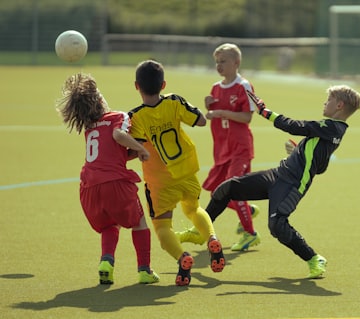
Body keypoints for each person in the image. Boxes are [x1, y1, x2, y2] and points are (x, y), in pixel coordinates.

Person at [202, 85, 360, 278]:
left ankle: (313, 258)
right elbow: (321, 167)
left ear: (339, 105)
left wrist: (264, 111)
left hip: (291, 185)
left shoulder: (331, 127)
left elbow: (294, 126)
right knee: (227, 188)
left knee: (277, 225)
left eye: (328, 100)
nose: (325, 103)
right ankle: (201, 228)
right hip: (278, 175)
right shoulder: (331, 132)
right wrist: (298, 155)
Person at [128, 60, 225, 286]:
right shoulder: (174, 101)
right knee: (194, 209)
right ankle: (212, 237)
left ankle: (183, 257)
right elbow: (201, 121)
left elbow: (136, 150)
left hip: (159, 180)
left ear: (136, 86)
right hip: (187, 169)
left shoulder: (136, 116)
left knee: (162, 226)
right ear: (163, 85)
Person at [56, 72, 159, 285]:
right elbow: (118, 136)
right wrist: (141, 148)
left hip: (89, 188)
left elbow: (112, 153)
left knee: (109, 225)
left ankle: (106, 262)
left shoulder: (90, 127)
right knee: (140, 222)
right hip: (115, 183)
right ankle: (144, 270)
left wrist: (133, 153)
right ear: (98, 100)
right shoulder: (118, 117)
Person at [176, 43, 261, 251]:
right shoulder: (216, 87)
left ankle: (250, 234)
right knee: (216, 192)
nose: (219, 65)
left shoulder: (244, 86)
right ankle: (247, 210)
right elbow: (215, 114)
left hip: (240, 148)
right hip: (222, 150)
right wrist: (210, 106)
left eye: (223, 61)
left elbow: (247, 116)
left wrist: (221, 112)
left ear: (236, 62)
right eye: (217, 62)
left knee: (233, 190)